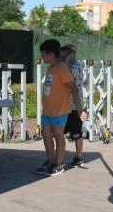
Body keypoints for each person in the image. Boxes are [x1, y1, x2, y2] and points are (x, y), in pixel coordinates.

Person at [36, 39, 79, 177]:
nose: (42, 57)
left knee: (59, 136)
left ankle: (59, 164)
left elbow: (74, 89)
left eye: (43, 54)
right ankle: (50, 161)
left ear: (51, 54)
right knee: (46, 135)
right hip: (47, 111)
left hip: (60, 111)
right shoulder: (51, 68)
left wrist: (80, 109)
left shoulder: (63, 69)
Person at [60, 44, 88, 169]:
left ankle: (78, 157)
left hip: (75, 106)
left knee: (77, 133)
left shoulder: (75, 67)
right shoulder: (67, 67)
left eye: (64, 54)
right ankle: (60, 157)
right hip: (65, 105)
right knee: (59, 132)